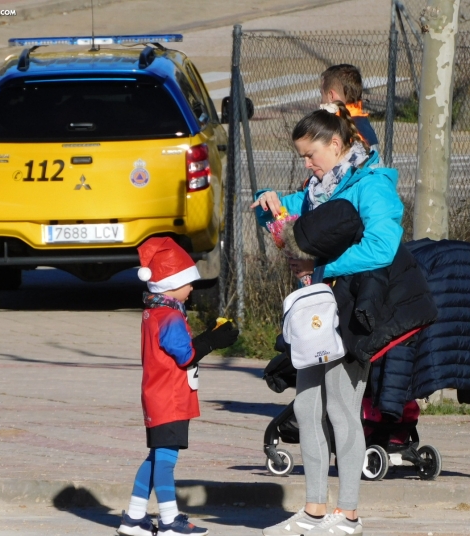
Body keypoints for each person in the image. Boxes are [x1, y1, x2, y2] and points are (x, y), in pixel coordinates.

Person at [251, 102, 403, 536]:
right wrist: (268, 204)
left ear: (336, 144)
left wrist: (321, 267)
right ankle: (314, 509)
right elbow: (289, 213)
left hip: (354, 311)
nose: (306, 165)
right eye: (301, 156)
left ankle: (349, 514)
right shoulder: (323, 189)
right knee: (306, 405)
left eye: (310, 155)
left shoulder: (371, 186)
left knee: (341, 410)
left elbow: (382, 247)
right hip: (316, 313)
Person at [117, 237, 239, 536]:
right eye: (188, 282)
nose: (191, 288)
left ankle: (134, 517)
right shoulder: (170, 315)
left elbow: (177, 346)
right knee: (167, 460)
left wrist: (208, 334)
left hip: (157, 395)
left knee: (156, 456)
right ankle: (170, 520)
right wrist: (213, 340)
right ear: (171, 284)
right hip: (169, 398)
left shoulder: (154, 312)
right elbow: (185, 355)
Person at [320, 64, 379, 153]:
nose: (321, 101)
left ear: (331, 96)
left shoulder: (336, 129)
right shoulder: (363, 123)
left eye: (322, 94)